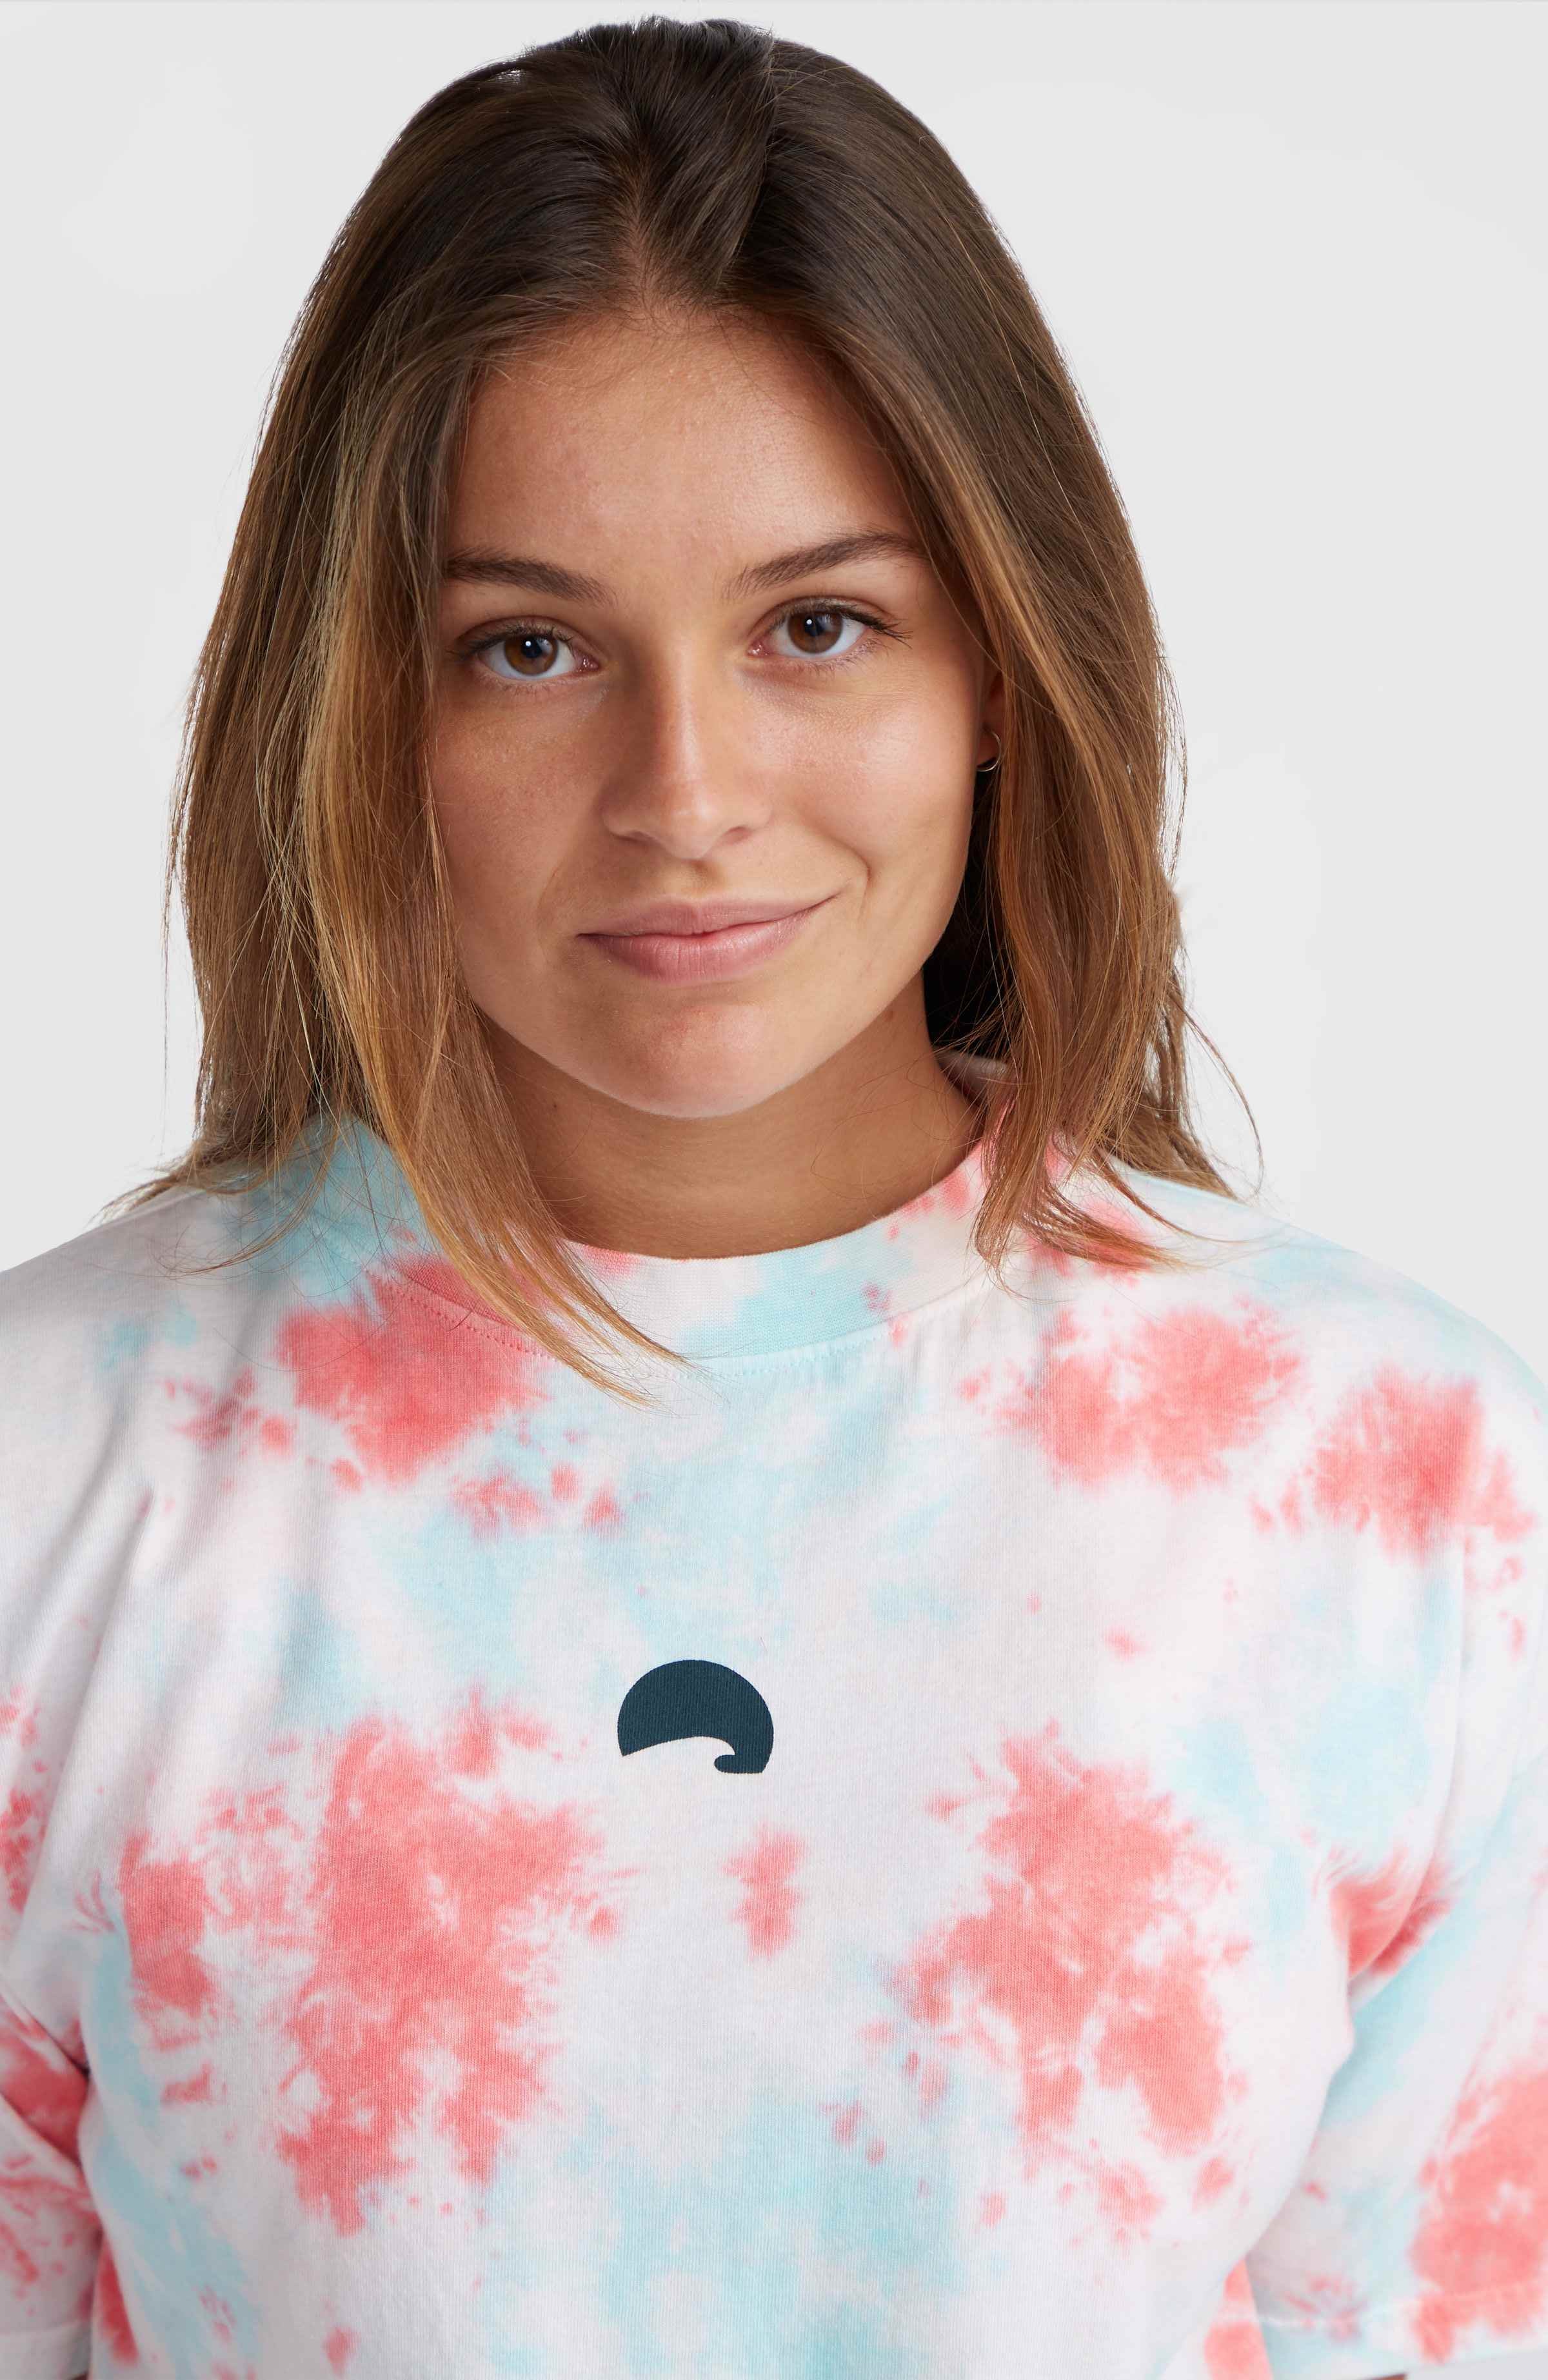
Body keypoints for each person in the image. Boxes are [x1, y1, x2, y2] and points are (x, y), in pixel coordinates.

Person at [0, 16, 1541, 2379]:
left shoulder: (1393, 1493)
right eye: (530, 648)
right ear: (361, 709)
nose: (688, 791)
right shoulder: (55, 1470)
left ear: (998, 668)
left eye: (818, 624)